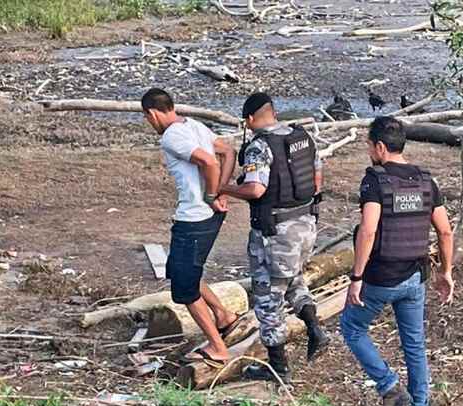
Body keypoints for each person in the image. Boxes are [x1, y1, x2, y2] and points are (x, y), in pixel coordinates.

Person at [339, 116, 454, 406]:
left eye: (367, 146)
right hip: (415, 277)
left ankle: (390, 387)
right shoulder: (425, 181)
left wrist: (356, 277)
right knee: (414, 344)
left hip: (380, 276)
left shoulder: (375, 180)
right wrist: (446, 272)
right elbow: (444, 232)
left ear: (379, 147)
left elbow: (369, 228)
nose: (367, 152)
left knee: (351, 326)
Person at [218, 92, 329, 383]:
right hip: (305, 227)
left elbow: (255, 189)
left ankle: (278, 367)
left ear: (250, 119)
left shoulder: (260, 146)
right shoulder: (302, 137)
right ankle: (316, 329)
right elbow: (317, 181)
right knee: (294, 280)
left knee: (268, 298)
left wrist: (224, 188)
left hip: (275, 234)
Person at [141, 88, 242, 364]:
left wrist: (212, 194)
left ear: (152, 113)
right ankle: (223, 315)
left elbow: (210, 160)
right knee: (179, 269)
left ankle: (218, 347)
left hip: (195, 218)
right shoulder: (193, 125)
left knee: (185, 290)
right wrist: (222, 189)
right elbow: (228, 151)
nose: (151, 124)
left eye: (148, 119)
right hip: (202, 216)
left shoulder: (172, 136)